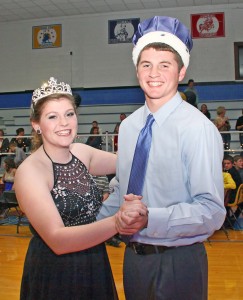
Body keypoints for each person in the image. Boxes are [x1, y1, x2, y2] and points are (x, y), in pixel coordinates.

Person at [98, 16, 225, 300]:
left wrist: (148, 219)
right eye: (146, 64)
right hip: (134, 260)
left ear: (181, 73)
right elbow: (124, 191)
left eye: (164, 65)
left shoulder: (197, 128)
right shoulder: (129, 127)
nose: (154, 73)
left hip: (179, 261)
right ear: (137, 70)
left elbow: (211, 210)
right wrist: (87, 226)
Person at [14, 77, 147, 300]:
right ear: (36, 124)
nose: (64, 123)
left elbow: (131, 163)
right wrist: (117, 222)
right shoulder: (31, 172)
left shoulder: (81, 153)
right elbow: (57, 240)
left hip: (93, 259)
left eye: (69, 114)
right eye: (52, 117)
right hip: (55, 271)